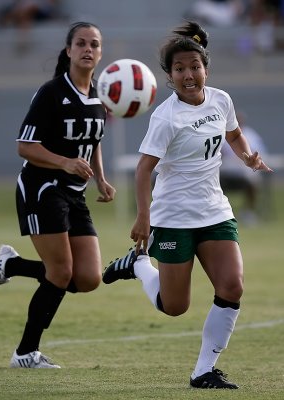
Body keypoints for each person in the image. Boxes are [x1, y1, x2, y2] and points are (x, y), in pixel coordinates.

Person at [102, 21, 272, 389]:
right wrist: (143, 219)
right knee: (174, 307)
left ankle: (203, 371)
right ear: (170, 75)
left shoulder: (221, 99)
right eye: (179, 68)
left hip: (214, 210)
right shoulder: (166, 117)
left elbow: (234, 133)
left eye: (194, 66)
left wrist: (246, 157)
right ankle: (138, 265)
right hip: (173, 216)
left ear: (205, 68)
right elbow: (144, 170)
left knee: (232, 286)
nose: (188, 74)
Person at [0, 21, 116, 368]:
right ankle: (25, 353)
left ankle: (11, 264)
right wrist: (65, 163)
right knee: (60, 272)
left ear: (101, 53)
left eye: (94, 45)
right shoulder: (51, 92)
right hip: (42, 188)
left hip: (75, 194)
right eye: (81, 43)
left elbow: (92, 141)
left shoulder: (100, 93)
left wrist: (100, 178)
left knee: (87, 278)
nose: (88, 49)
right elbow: (25, 146)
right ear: (68, 50)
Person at [220, 111, 268, 225]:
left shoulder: (250, 134)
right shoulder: (221, 133)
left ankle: (248, 212)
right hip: (225, 171)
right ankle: (222, 213)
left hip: (244, 171)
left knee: (253, 183)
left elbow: (260, 151)